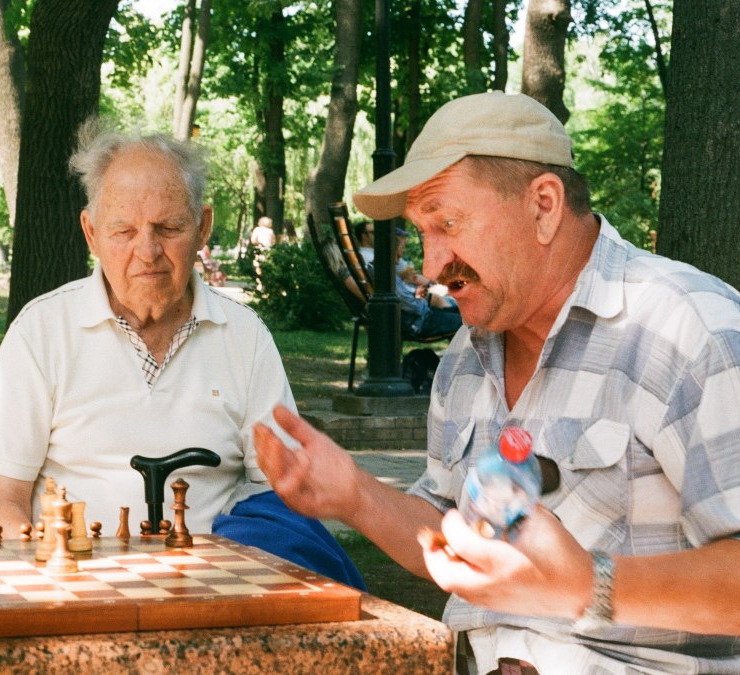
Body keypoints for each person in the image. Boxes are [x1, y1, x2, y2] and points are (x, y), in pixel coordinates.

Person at [253, 91, 740, 673]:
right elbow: (448, 535)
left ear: (543, 206)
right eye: (422, 232)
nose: (432, 266)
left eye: (448, 223)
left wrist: (590, 584)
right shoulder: (465, 357)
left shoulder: (687, 328)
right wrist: (354, 494)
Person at [0, 124, 364, 588]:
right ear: (90, 232)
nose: (147, 251)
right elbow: (0, 499)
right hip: (77, 589)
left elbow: (280, 495)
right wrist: (51, 579)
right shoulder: (41, 331)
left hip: (216, 596)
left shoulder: (244, 336)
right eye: (124, 230)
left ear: (202, 227)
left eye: (168, 228)